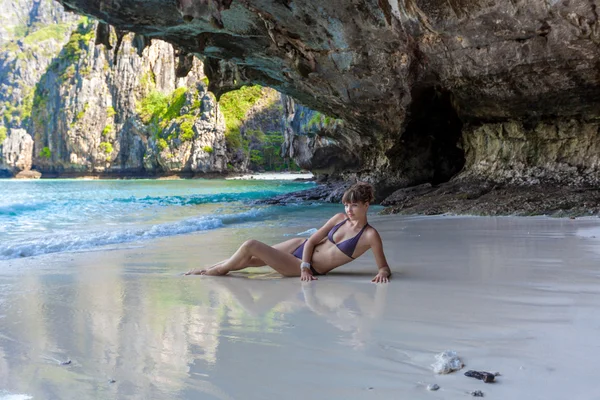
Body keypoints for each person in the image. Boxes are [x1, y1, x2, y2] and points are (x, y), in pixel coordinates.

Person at [185, 182, 391, 282]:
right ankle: (208, 267)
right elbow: (311, 241)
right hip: (301, 249)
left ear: (366, 205)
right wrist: (304, 265)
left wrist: (382, 273)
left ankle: (215, 272)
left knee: (251, 246)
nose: (349, 210)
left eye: (354, 205)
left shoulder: (369, 235)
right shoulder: (339, 218)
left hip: (311, 268)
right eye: (346, 205)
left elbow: (383, 267)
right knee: (254, 259)